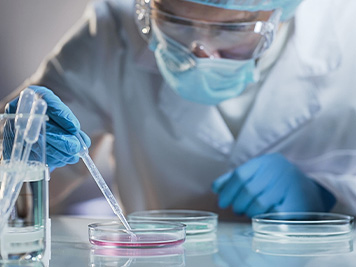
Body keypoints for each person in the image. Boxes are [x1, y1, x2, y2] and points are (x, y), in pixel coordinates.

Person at [1, 0, 356, 219]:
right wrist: (15, 151)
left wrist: (328, 195)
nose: (200, 54)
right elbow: (18, 197)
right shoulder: (112, 30)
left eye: (233, 28)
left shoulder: (346, 28)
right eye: (175, 22)